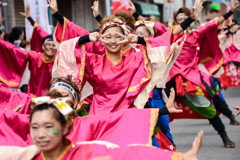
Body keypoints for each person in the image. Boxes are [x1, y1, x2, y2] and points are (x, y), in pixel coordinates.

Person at [27, 97, 204, 160]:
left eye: (49, 127)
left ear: (66, 127)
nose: (41, 134)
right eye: (35, 127)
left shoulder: (86, 153)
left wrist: (179, 157)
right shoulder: (24, 154)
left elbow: (130, 154)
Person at [165, 0, 240, 148]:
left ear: (191, 22)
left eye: (185, 21)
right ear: (175, 23)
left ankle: (224, 134)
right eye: (180, 21)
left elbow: (213, 23)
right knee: (156, 107)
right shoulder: (171, 34)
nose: (183, 24)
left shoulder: (196, 34)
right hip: (171, 78)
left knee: (209, 103)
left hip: (191, 78)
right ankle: (155, 143)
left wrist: (231, 11)